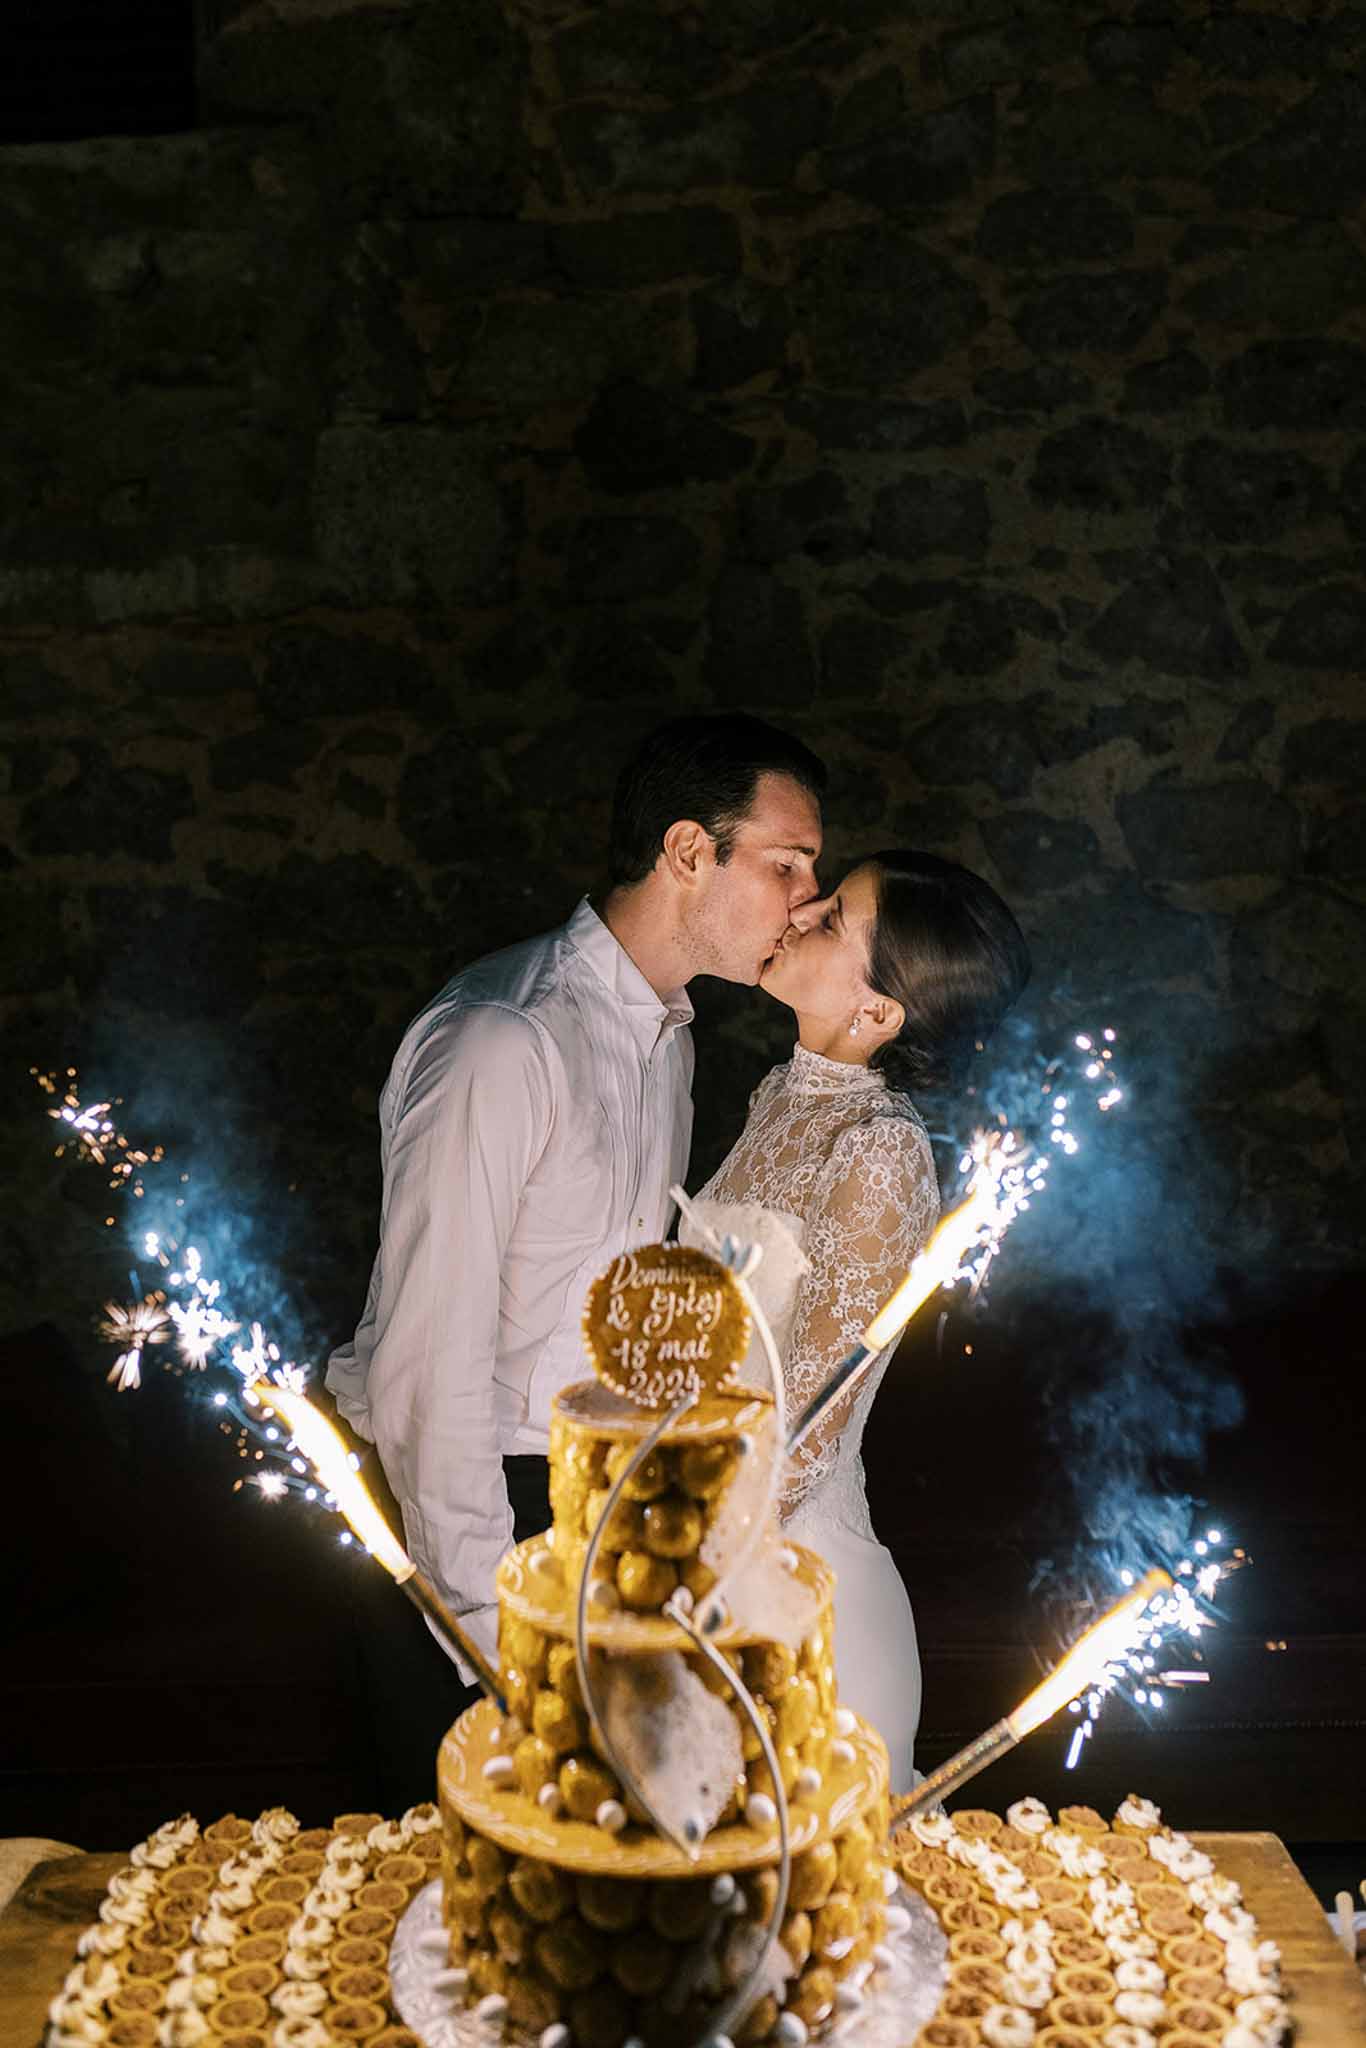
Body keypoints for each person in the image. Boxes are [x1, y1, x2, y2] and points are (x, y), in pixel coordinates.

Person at [326, 713, 826, 1804]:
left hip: (581, 1503)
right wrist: (487, 1633)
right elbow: (427, 1361)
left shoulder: (672, 1037)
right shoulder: (504, 1038)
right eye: (787, 864)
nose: (807, 902)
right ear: (688, 850)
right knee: (454, 1886)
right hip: (455, 1514)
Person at [682, 850, 1030, 1794]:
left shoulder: (878, 1151)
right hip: (703, 1571)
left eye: (832, 917)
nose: (799, 909)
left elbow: (805, 1430)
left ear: (877, 1013)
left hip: (794, 1612)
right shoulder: (778, 1098)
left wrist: (676, 1587)